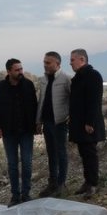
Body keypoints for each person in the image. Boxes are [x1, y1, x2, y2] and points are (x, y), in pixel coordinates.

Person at [0, 58, 39, 206]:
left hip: (26, 131)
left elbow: (34, 106)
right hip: (9, 132)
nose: (20, 72)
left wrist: (37, 124)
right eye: (17, 70)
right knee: (12, 164)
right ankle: (15, 196)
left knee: (27, 163)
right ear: (9, 71)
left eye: (21, 69)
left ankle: (26, 194)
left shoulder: (28, 85)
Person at [68, 48, 106, 197]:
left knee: (90, 153)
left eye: (72, 60)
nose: (70, 63)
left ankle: (92, 184)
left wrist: (90, 122)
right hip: (79, 123)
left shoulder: (93, 76)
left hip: (88, 124)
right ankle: (87, 181)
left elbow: (94, 101)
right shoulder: (79, 77)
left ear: (82, 59)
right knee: (84, 153)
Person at [36, 51, 71, 197]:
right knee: (51, 154)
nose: (45, 65)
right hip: (47, 122)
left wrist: (70, 116)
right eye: (44, 62)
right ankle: (52, 183)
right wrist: (38, 121)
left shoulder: (66, 79)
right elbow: (41, 101)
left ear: (57, 64)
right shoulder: (43, 80)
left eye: (48, 63)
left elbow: (73, 99)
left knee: (61, 153)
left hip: (60, 123)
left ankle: (61, 184)